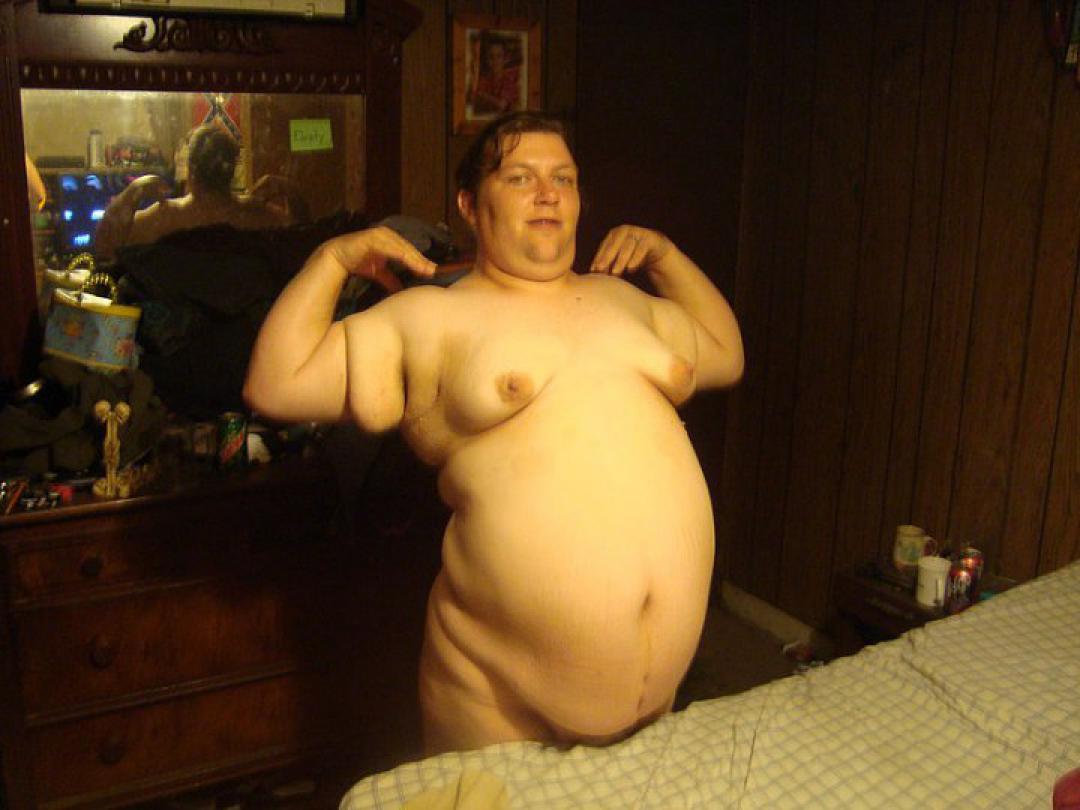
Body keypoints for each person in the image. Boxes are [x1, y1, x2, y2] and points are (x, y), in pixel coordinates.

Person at [244, 110, 744, 755]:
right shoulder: (429, 317)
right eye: (520, 177)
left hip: (654, 706)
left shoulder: (625, 302)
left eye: (563, 178)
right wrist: (332, 259)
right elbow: (276, 384)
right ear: (469, 206)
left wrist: (666, 258)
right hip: (491, 693)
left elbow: (725, 353)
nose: (548, 193)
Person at [93, 123, 294, 261]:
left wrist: (134, 191)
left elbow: (104, 247)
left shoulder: (166, 217)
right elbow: (302, 242)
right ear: (234, 170)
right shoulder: (256, 215)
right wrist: (291, 192)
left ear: (190, 171)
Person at [469, 37, 521, 116]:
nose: (495, 61)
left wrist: (484, 95)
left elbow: (502, 104)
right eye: (491, 56)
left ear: (505, 59)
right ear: (488, 59)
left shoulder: (509, 80)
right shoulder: (484, 79)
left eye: (499, 56)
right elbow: (474, 100)